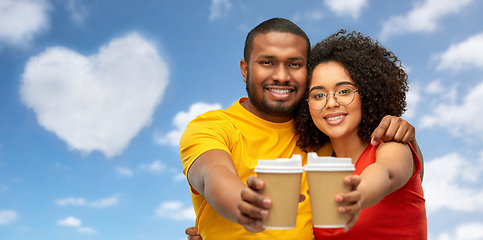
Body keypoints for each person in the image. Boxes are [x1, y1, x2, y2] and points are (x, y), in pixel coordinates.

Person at [180, 18, 422, 240]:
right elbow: (212, 174)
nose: (282, 76)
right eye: (267, 62)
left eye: (294, 64)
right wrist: (243, 206)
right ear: (245, 69)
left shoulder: (323, 142)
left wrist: (408, 141)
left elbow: (393, 174)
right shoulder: (212, 127)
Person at [293, 30, 427, 239]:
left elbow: (386, 173)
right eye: (318, 95)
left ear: (367, 93)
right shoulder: (321, 167)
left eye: (344, 91)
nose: (331, 103)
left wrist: (357, 194)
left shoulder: (391, 145)